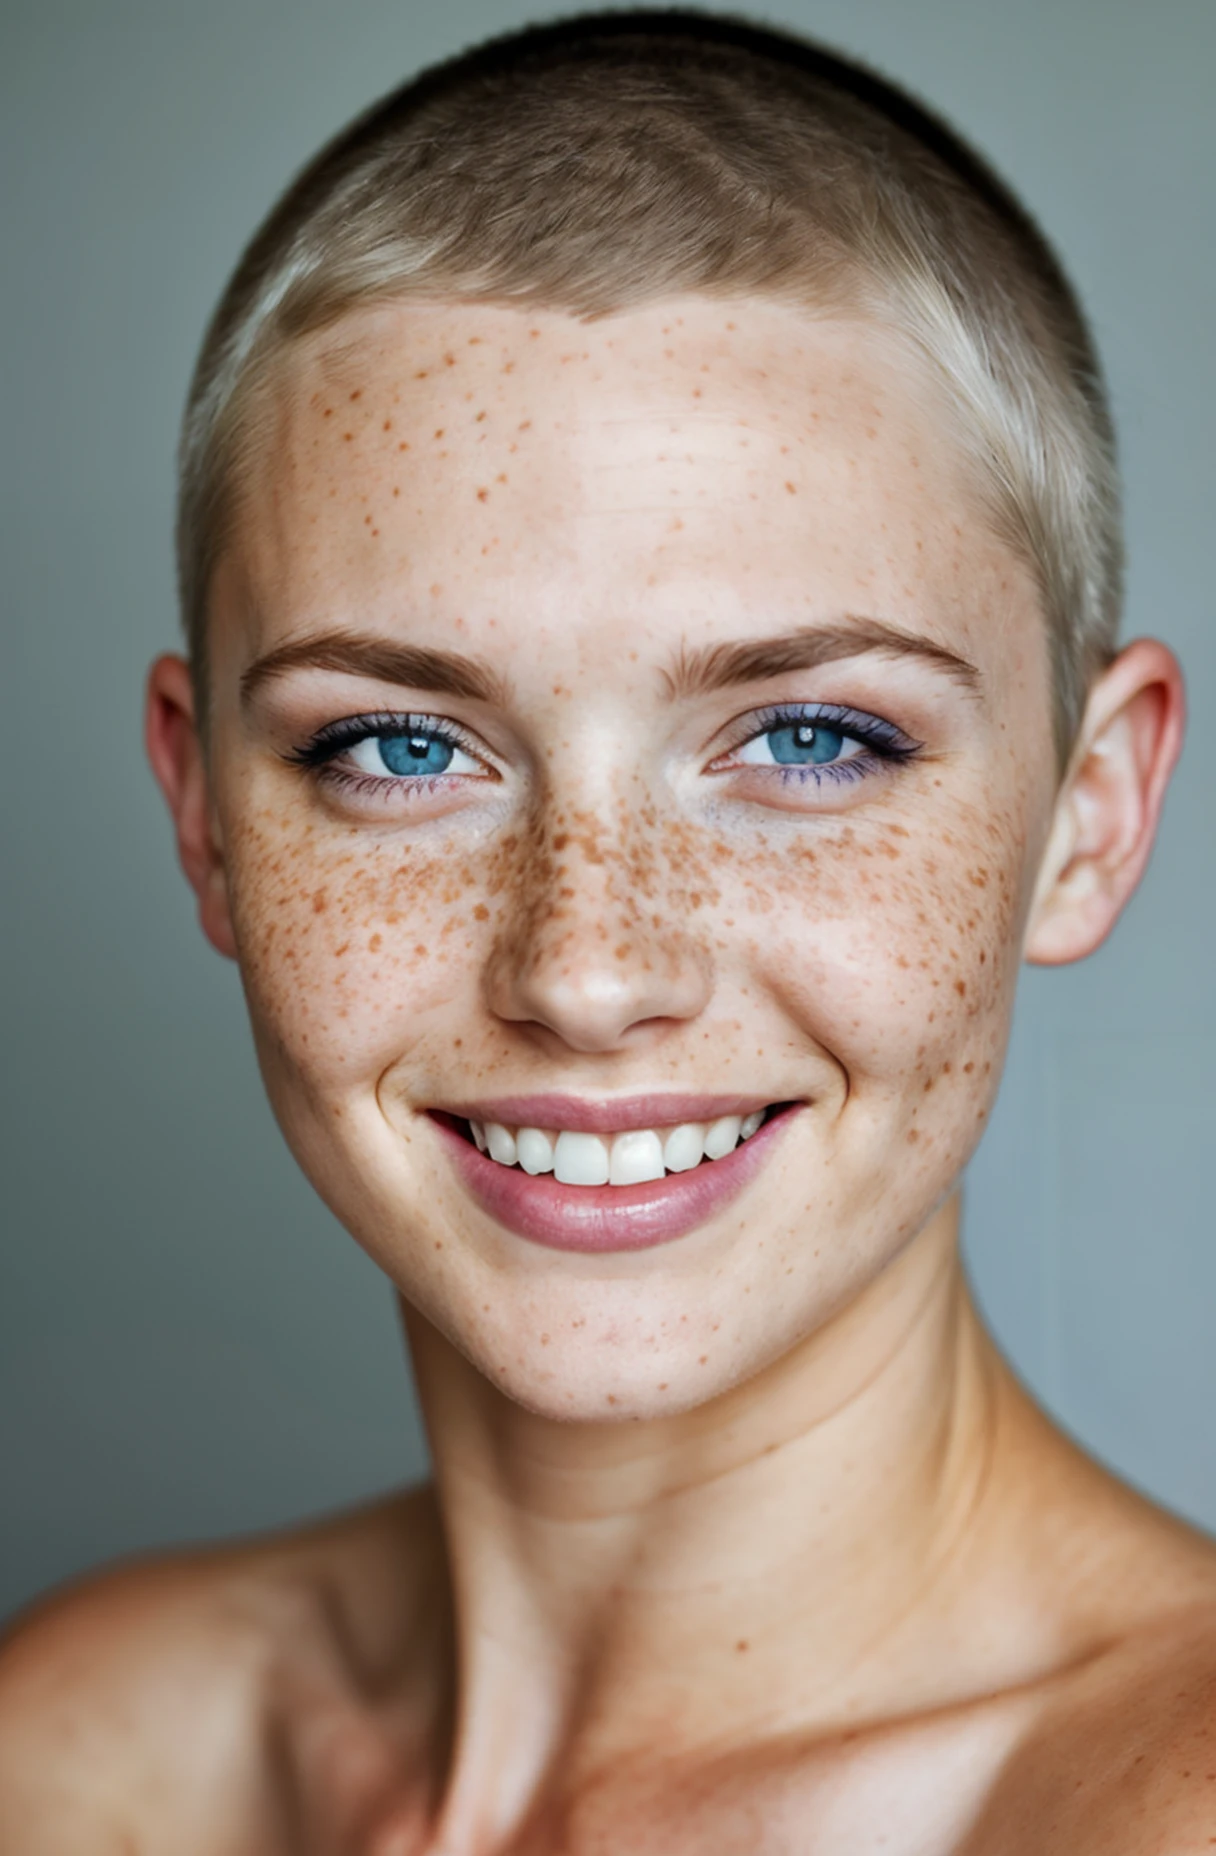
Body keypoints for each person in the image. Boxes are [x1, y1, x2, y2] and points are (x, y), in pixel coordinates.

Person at [0, 11, 1206, 1850]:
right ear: (205, 813)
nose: (586, 968)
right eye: (399, 747)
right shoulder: (72, 1757)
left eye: (813, 739)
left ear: (1090, 812)